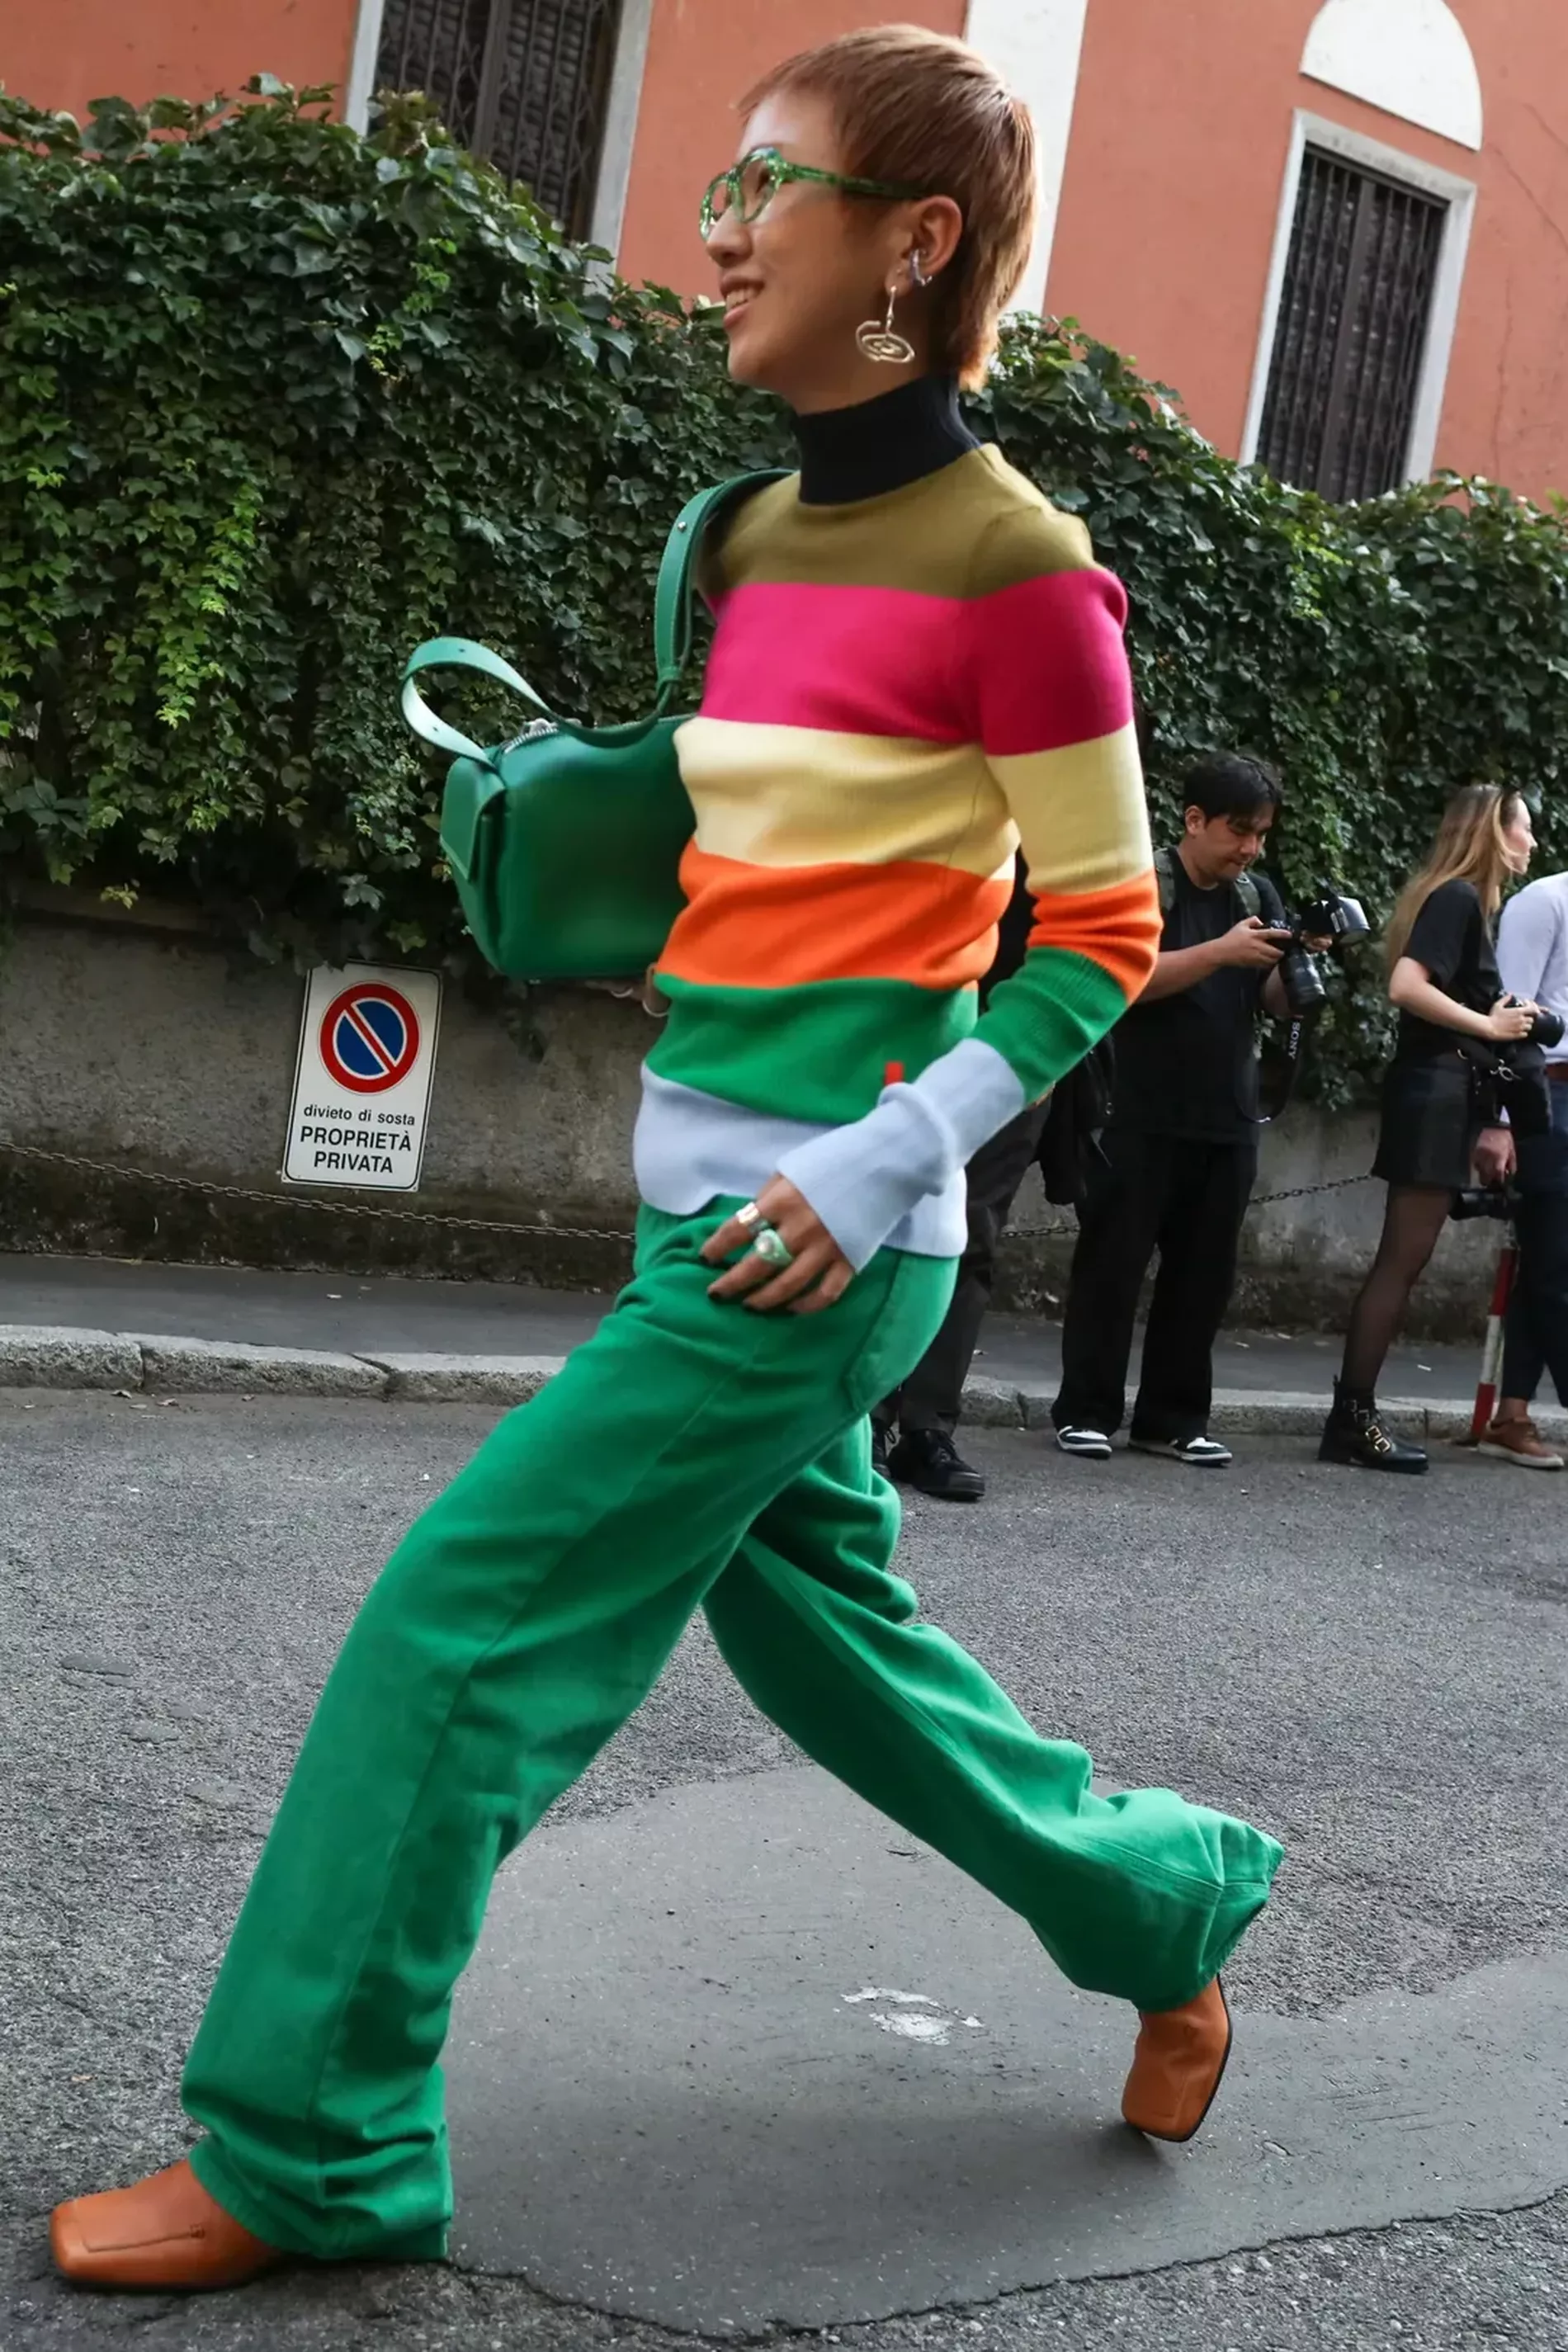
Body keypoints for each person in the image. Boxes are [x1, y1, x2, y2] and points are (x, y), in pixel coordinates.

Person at [51, 28, 1284, 2293]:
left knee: (461, 1619)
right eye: (718, 179)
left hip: (819, 1237)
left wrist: (876, 1153)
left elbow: (1101, 929)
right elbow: (793, 859)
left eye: (767, 185)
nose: (713, 226)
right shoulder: (749, 529)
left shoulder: (1027, 574)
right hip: (701, 1189)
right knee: (834, 1646)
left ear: (912, 246)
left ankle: (313, 2149)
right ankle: (1161, 1902)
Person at [1050, 753, 1292, 1468]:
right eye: (1239, 830)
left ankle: (1174, 1417)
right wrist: (1220, 951)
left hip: (1227, 1115)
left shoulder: (1259, 894)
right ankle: (1085, 1410)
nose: (1251, 847)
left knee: (1204, 1275)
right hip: (1137, 1109)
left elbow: (1272, 1001)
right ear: (1194, 820)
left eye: (1262, 834)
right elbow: (1121, 979)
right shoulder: (1147, 885)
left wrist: (1296, 963)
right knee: (1111, 1267)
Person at [1320, 785, 1537, 1473]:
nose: (1532, 842)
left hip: (1442, 1091)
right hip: (1437, 1092)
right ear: (1492, 832)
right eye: (1523, 829)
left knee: (1402, 1261)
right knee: (1400, 1261)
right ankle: (1353, 1418)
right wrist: (1490, 1024)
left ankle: (1352, 1415)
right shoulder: (1456, 898)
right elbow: (1407, 987)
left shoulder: (1457, 900)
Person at [1469, 862, 1568, 1468]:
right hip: (1549, 1094)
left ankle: (1513, 1413)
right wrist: (1500, 1122)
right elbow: (1507, 1018)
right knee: (1557, 1268)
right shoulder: (1544, 901)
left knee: (1546, 1264)